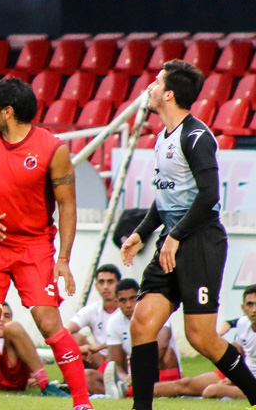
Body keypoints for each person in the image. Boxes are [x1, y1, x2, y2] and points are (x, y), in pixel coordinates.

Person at [119, 59, 256, 410]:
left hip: (200, 242)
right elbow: (166, 196)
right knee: (142, 323)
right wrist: (140, 232)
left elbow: (209, 195)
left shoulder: (195, 136)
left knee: (202, 338)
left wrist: (176, 235)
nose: (149, 87)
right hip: (173, 239)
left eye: (156, 82)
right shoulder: (162, 139)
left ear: (168, 94)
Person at [0, 77, 93, 410]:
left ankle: (82, 403)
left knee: (49, 323)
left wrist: (63, 258)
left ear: (7, 112)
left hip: (33, 247)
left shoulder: (53, 149)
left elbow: (67, 206)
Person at [146, 285, 256, 399]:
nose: (254, 309)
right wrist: (233, 375)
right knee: (185, 383)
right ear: (243, 308)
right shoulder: (243, 323)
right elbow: (238, 349)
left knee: (212, 390)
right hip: (242, 374)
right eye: (250, 304)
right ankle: (134, 391)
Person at [83, 278, 180, 397]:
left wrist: (137, 374)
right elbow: (115, 362)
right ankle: (128, 391)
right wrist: (124, 378)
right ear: (117, 302)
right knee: (87, 376)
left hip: (155, 371)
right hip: (133, 376)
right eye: (123, 300)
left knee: (167, 354)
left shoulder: (155, 313)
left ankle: (169, 391)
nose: (128, 305)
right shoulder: (114, 321)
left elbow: (160, 348)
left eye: (132, 298)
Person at [66, 264, 122, 368]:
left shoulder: (127, 308)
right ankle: (71, 379)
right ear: (96, 286)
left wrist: (97, 347)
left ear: (118, 284)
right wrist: (79, 350)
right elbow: (66, 332)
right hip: (99, 359)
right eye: (101, 282)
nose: (105, 286)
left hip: (123, 357)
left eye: (110, 282)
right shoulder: (93, 309)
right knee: (74, 339)